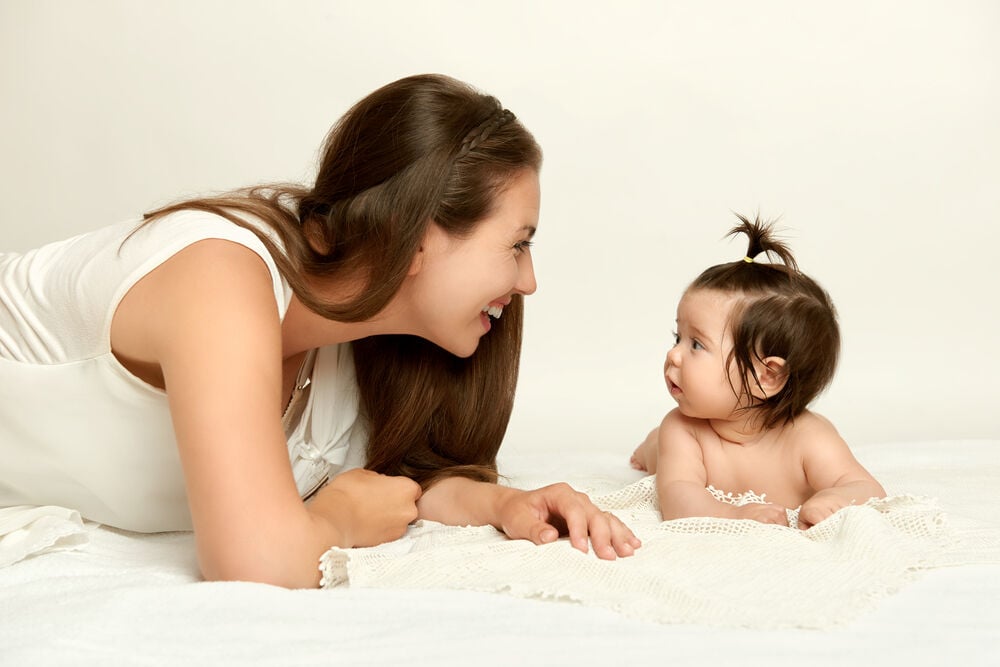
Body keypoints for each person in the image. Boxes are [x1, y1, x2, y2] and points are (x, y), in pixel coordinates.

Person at [0, 73, 640, 587]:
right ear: (419, 233)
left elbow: (399, 487)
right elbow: (255, 564)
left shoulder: (356, 344)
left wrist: (504, 507)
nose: (528, 282)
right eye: (518, 244)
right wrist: (334, 518)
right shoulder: (220, 276)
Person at [630, 215, 885, 529]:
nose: (673, 354)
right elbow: (677, 498)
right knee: (658, 449)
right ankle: (649, 446)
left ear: (768, 377)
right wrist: (732, 514)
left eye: (696, 344)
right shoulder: (683, 429)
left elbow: (868, 489)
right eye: (677, 338)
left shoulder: (809, 436)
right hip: (667, 448)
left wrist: (832, 500)